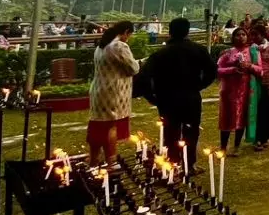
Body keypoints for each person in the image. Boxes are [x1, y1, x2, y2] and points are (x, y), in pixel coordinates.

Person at [139, 18, 217, 170]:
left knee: (170, 132)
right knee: (191, 131)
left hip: (167, 99)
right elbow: (212, 71)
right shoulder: (198, 50)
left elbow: (144, 77)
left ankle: (172, 163)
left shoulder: (160, 54)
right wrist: (199, 86)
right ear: (187, 31)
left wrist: (152, 97)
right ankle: (190, 164)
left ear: (170, 32)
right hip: (190, 97)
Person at [88, 21, 139, 165]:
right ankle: (111, 161)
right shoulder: (118, 46)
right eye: (129, 35)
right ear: (126, 32)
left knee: (97, 126)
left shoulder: (101, 46)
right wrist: (139, 63)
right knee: (111, 125)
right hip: (113, 91)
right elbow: (133, 68)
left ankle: (94, 159)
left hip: (98, 89)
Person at [216, 27, 261, 156]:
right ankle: (223, 147)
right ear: (233, 38)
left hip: (245, 91)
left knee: (241, 118)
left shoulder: (253, 52)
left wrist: (249, 66)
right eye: (237, 35)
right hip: (228, 92)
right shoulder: (227, 52)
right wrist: (233, 70)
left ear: (247, 37)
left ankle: (236, 146)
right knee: (226, 119)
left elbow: (260, 70)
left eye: (243, 34)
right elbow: (218, 70)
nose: (241, 37)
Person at [249, 24, 269, 151]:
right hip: (256, 85)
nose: (253, 37)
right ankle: (258, 139)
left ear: (262, 35)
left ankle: (265, 138)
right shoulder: (252, 49)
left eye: (256, 34)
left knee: (267, 112)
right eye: (252, 34)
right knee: (257, 112)